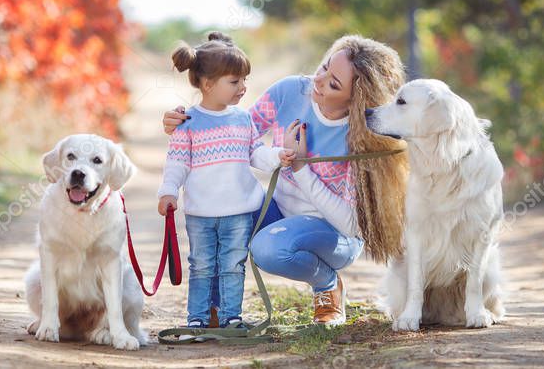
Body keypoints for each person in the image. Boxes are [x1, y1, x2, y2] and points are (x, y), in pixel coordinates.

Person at [163, 35, 408, 326]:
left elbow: (350, 225)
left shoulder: (363, 137)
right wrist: (189, 122)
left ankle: (327, 284)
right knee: (223, 211)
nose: (318, 81)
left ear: (358, 98)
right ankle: (213, 308)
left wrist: (302, 167)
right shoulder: (290, 91)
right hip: (277, 214)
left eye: (333, 84)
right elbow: (236, 134)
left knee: (268, 249)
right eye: (324, 67)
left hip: (332, 234)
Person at [157, 32, 297, 329]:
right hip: (201, 213)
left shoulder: (242, 119)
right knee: (203, 266)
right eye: (235, 82)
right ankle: (197, 318)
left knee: (234, 265)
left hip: (238, 211)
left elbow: (255, 153)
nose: (243, 88)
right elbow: (177, 162)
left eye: (244, 80)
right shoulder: (188, 123)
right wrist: (168, 192)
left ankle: (231, 316)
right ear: (208, 84)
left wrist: (277, 156)